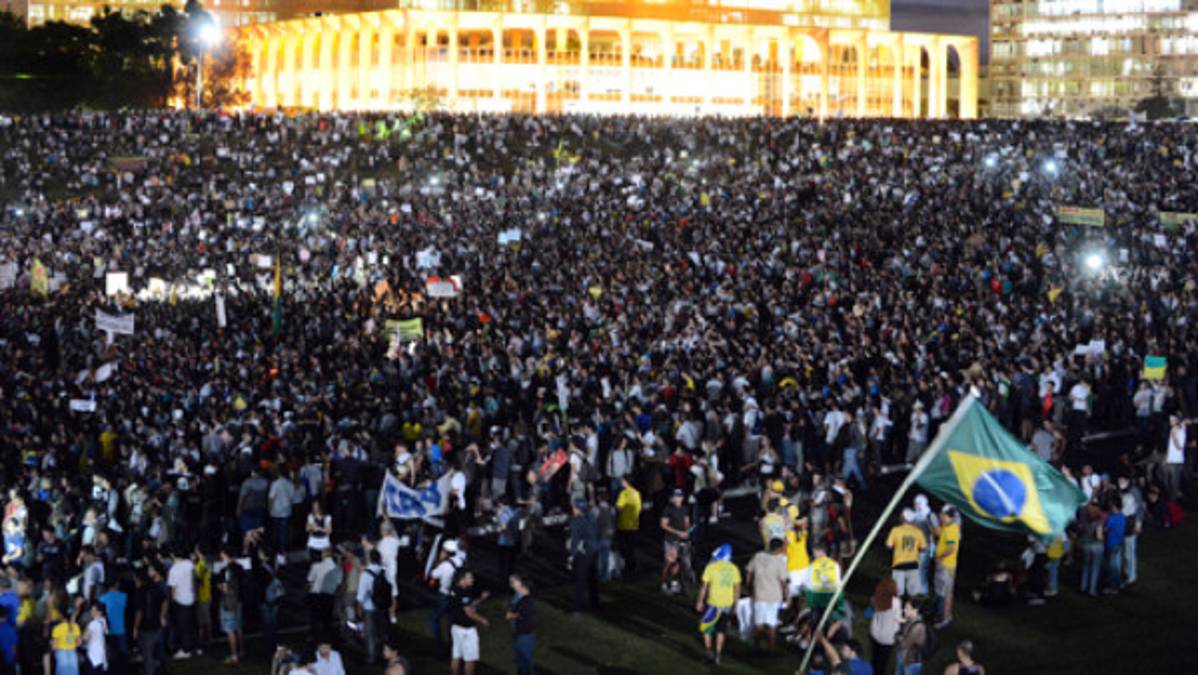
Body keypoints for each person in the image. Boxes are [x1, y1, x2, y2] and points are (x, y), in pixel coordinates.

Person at [694, 543, 741, 665]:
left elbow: (704, 587)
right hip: (727, 605)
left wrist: (699, 601)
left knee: (706, 628)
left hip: (713, 604)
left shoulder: (711, 567)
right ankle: (718, 655)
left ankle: (709, 651)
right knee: (721, 631)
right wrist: (735, 606)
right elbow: (737, 589)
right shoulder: (734, 569)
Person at [745, 538, 789, 652]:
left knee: (758, 623)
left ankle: (756, 647)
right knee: (771, 624)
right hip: (774, 596)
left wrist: (749, 587)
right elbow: (784, 582)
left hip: (759, 594)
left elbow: (749, 573)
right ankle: (771, 649)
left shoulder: (758, 556)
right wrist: (787, 597)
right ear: (779, 548)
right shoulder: (779, 561)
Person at [449, 569, 489, 675]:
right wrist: (482, 620)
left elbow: (467, 605)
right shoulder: (464, 592)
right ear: (462, 579)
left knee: (456, 656)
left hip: (455, 628)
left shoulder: (454, 589)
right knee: (470, 659)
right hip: (466, 630)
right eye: (470, 577)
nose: (473, 579)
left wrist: (481, 598)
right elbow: (469, 612)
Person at [429, 539, 463, 654]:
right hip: (455, 596)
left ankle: (440, 646)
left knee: (434, 620)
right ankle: (452, 646)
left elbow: (433, 574)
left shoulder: (444, 566)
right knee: (450, 621)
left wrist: (439, 560)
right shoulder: (460, 561)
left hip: (444, 595)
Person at [132, 566, 168, 675]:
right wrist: (162, 616)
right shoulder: (155, 587)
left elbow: (139, 612)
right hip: (157, 625)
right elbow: (165, 601)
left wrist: (135, 628)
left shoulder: (139, 592)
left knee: (148, 655)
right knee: (157, 653)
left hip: (146, 628)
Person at [885, 510, 927, 599]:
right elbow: (924, 548)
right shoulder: (918, 532)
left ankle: (897, 610)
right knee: (913, 592)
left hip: (899, 563)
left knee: (897, 592)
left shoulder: (895, 530)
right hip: (913, 564)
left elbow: (889, 545)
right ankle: (912, 610)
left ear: (903, 518)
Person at [356, 549, 387, 665]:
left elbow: (361, 595)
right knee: (381, 632)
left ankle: (371, 656)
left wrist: (359, 610)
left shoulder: (366, 574)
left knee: (370, 634)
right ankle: (383, 653)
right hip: (382, 607)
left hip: (369, 607)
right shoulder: (384, 571)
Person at [932, 506, 960, 628]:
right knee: (944, 592)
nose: (939, 515)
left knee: (945, 593)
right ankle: (942, 615)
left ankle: (944, 618)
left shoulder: (951, 529)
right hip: (945, 565)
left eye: (941, 514)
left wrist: (940, 556)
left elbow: (951, 548)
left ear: (947, 515)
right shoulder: (947, 526)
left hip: (946, 566)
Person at [306, 546, 342, 640]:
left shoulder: (316, 566)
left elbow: (310, 581)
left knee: (315, 618)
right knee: (327, 619)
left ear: (323, 554)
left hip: (315, 595)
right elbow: (339, 583)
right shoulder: (337, 568)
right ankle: (327, 638)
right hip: (329, 595)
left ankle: (314, 637)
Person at [661, 489, 691, 594]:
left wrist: (687, 531)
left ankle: (673, 582)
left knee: (678, 563)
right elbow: (663, 525)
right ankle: (664, 583)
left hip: (681, 540)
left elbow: (687, 521)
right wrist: (678, 532)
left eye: (679, 496)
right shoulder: (668, 509)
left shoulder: (684, 508)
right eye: (676, 497)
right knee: (669, 562)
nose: (678, 499)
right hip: (671, 540)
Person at [218, 546, 244, 665]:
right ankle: (241, 650)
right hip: (238, 601)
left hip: (229, 602)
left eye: (222, 554)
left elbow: (226, 587)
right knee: (238, 627)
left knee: (230, 629)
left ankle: (234, 656)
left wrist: (219, 586)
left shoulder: (228, 570)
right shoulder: (240, 567)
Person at [869, 577, 901, 675]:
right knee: (882, 662)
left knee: (875, 657)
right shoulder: (896, 602)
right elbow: (897, 620)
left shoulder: (875, 599)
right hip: (888, 638)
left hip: (875, 633)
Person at [505, 573, 535, 675]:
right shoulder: (520, 598)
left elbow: (510, 615)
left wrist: (513, 614)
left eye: (514, 582)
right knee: (522, 661)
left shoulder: (524, 601)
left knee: (526, 661)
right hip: (521, 632)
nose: (512, 585)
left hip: (524, 635)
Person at [614, 477, 642, 579]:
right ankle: (632, 567)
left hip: (623, 525)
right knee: (631, 548)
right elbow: (639, 509)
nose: (622, 482)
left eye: (623, 481)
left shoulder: (624, 493)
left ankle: (626, 568)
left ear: (626, 482)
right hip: (634, 525)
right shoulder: (637, 493)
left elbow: (619, 508)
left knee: (624, 548)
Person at [98, 582, 128, 673]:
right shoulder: (124, 596)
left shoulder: (102, 598)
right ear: (117, 584)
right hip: (121, 629)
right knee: (122, 656)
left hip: (108, 630)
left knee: (109, 656)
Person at [894, 597, 928, 675]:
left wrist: (897, 636)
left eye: (907, 608)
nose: (904, 610)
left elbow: (904, 644)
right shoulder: (910, 619)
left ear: (915, 610)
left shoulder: (918, 627)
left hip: (911, 662)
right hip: (902, 655)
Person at [1100, 499, 1126, 595]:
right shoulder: (1122, 517)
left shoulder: (1112, 518)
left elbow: (1105, 530)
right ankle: (1118, 583)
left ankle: (1113, 587)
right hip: (1119, 543)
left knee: (1112, 567)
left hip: (1111, 543)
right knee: (1116, 565)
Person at [50, 599, 83, 675]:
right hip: (73, 654)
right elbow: (79, 643)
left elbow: (54, 646)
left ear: (62, 616)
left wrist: (52, 645)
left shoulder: (57, 628)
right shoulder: (76, 627)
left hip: (61, 653)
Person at [83, 602, 109, 675]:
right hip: (101, 655)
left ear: (99, 612)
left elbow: (85, 638)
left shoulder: (92, 624)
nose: (91, 612)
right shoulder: (103, 621)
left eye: (93, 610)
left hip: (93, 656)